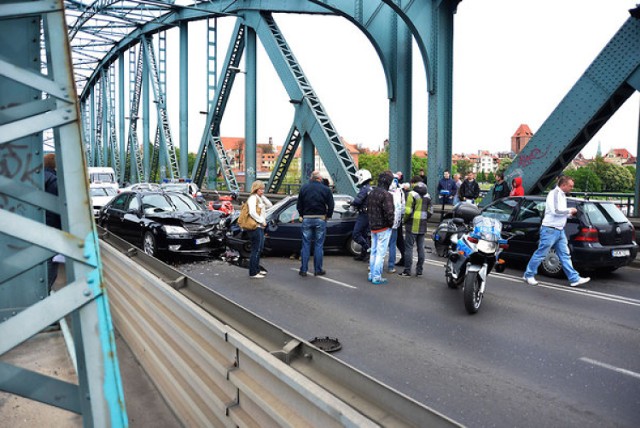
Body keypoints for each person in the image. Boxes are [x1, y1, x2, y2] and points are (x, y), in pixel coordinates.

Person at [522, 176, 590, 287]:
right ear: (563, 185)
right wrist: (570, 210)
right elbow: (555, 211)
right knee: (541, 254)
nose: (571, 188)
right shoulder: (554, 194)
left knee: (564, 255)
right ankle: (528, 275)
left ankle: (574, 278)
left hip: (558, 229)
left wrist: (568, 214)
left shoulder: (561, 195)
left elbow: (558, 212)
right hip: (550, 229)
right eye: (570, 186)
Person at [297, 170, 334, 277]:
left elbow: (299, 204)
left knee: (306, 245)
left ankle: (303, 270)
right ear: (319, 179)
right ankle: (318, 270)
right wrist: (328, 216)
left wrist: (302, 214)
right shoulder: (325, 189)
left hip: (307, 219)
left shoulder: (304, 188)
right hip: (320, 219)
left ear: (311, 178)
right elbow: (331, 205)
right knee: (318, 245)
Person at [399, 176, 432, 277]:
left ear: (413, 183)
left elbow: (408, 211)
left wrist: (404, 220)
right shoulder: (428, 195)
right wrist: (425, 218)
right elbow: (430, 211)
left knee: (408, 248)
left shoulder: (411, 194)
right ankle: (419, 271)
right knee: (420, 248)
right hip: (422, 225)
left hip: (412, 225)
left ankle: (407, 271)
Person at [367, 171, 395, 284]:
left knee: (373, 251)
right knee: (380, 253)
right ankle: (377, 277)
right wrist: (391, 224)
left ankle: (371, 274)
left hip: (373, 226)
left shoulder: (372, 192)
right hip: (383, 227)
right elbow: (389, 212)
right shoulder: (387, 195)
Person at [246, 180, 272, 279]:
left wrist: (262, 196)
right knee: (255, 249)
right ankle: (253, 272)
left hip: (259, 227)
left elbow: (269, 205)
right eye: (261, 189)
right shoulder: (252, 198)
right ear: (256, 189)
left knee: (259, 249)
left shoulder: (258, 198)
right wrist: (262, 221)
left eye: (263, 189)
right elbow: (252, 212)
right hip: (255, 227)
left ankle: (256, 269)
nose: (262, 191)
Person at [44, 153, 62, 292]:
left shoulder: (38, 177)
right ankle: (43, 295)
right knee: (51, 267)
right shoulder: (54, 181)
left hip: (36, 228)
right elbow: (59, 210)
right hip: (52, 231)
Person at [351, 169, 372, 261]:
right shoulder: (370, 188)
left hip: (363, 214)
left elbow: (357, 201)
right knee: (365, 235)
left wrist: (352, 203)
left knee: (356, 234)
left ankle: (367, 249)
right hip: (368, 214)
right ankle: (364, 254)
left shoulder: (364, 189)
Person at [387, 174, 406, 274]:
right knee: (392, 244)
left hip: (384, 222)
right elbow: (403, 207)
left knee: (380, 244)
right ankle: (391, 266)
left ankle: (375, 265)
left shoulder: (385, 191)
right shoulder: (400, 192)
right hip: (395, 222)